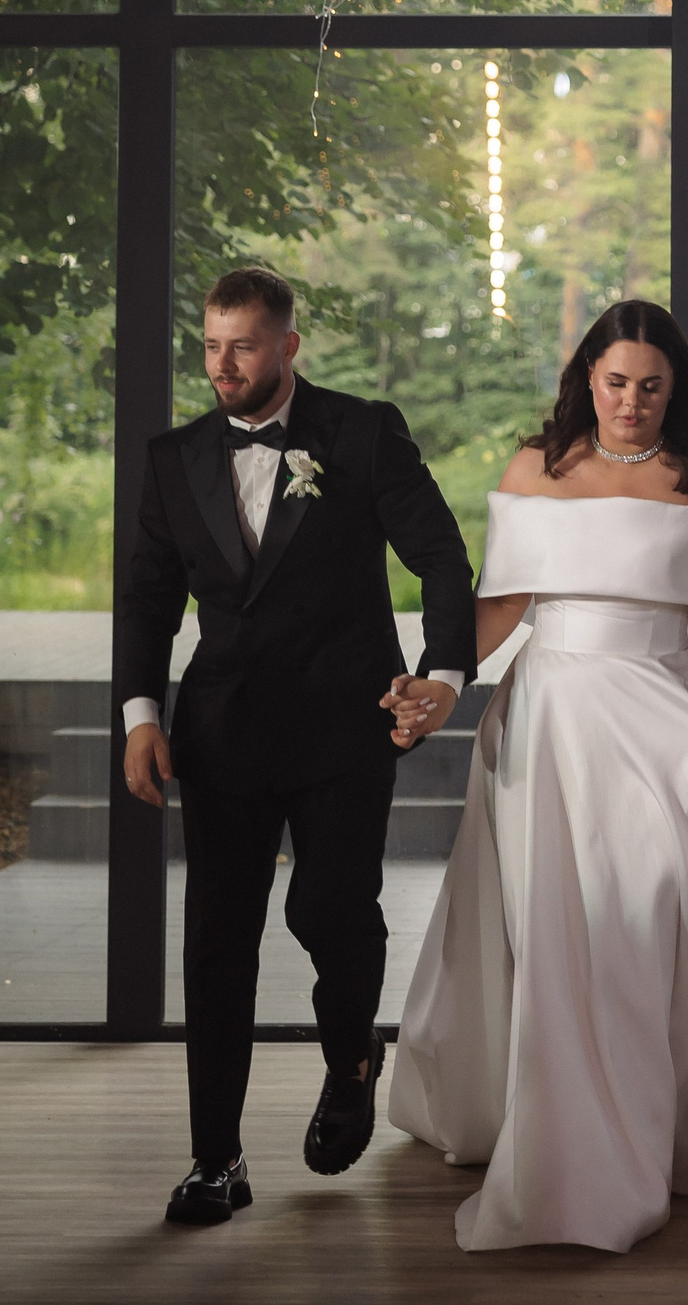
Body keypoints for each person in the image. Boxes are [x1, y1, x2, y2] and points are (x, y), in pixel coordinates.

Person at [390, 298, 688, 1251]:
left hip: (669, 692)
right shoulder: (536, 468)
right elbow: (504, 604)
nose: (631, 400)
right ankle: (578, 1125)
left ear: (675, 390)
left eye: (651, 386)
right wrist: (441, 682)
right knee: (585, 912)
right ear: (589, 378)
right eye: (616, 381)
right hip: (561, 706)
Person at [116, 267, 477, 1227]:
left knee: (329, 909)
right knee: (216, 942)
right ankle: (216, 1158)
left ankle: (351, 1058)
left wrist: (444, 674)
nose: (222, 364)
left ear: (287, 346)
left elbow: (441, 555)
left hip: (343, 724)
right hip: (221, 731)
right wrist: (141, 713)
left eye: (242, 345)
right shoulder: (173, 457)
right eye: (211, 345)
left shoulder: (362, 432)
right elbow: (148, 596)